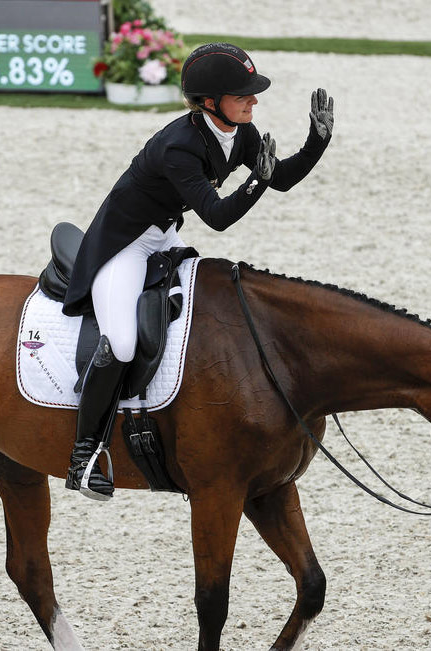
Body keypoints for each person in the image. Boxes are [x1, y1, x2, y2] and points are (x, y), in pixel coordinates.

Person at [62, 42, 335, 500]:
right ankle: (83, 455)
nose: (253, 100)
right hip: (123, 246)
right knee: (123, 341)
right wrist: (256, 181)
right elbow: (219, 216)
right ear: (209, 102)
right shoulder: (179, 146)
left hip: (164, 235)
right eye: (242, 94)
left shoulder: (236, 130)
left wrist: (317, 142)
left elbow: (281, 177)